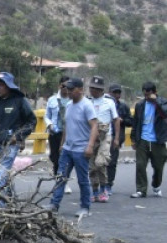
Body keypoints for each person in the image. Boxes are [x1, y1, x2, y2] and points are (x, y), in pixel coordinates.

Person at [47, 77, 99, 217]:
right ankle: (54, 204)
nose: (68, 91)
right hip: (67, 149)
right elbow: (66, 126)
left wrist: (90, 146)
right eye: (67, 89)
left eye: (71, 89)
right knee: (61, 177)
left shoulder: (86, 105)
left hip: (81, 149)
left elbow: (94, 126)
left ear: (80, 90)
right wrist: (62, 143)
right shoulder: (69, 105)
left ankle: (85, 207)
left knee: (82, 180)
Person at [0, 71, 37, 194]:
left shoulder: (19, 100)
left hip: (10, 145)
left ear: (9, 86)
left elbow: (31, 121)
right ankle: (10, 202)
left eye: (1, 85)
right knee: (0, 176)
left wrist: (19, 136)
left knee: (1, 176)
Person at [86, 76, 120, 202]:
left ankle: (103, 189)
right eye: (92, 88)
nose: (93, 91)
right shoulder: (87, 102)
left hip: (105, 136)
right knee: (92, 166)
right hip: (91, 136)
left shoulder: (109, 102)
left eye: (96, 89)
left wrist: (116, 138)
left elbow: (116, 120)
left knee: (101, 163)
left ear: (101, 90)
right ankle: (94, 190)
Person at [130, 81, 167, 198]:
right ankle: (141, 189)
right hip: (143, 139)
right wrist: (133, 139)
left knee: (158, 166)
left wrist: (156, 101)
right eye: (145, 95)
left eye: (149, 94)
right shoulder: (140, 105)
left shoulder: (163, 102)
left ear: (155, 92)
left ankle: (156, 185)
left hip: (158, 140)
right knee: (140, 165)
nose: (147, 97)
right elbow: (135, 122)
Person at [44, 76, 72, 193]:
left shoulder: (72, 100)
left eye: (68, 86)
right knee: (55, 158)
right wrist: (49, 124)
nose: (65, 89)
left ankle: (64, 182)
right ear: (59, 85)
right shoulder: (52, 100)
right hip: (55, 133)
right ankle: (58, 179)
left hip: (69, 134)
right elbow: (47, 115)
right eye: (63, 86)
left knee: (65, 158)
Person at [106, 83, 133, 195]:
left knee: (112, 162)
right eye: (114, 92)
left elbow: (130, 122)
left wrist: (122, 120)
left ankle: (109, 184)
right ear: (109, 93)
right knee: (100, 162)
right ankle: (98, 184)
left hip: (116, 137)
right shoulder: (104, 104)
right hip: (103, 136)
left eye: (118, 92)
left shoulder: (123, 106)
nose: (116, 95)